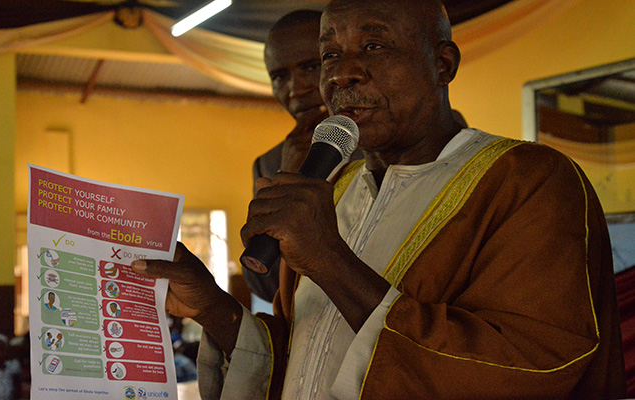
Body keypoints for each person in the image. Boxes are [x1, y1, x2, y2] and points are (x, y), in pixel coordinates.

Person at [132, 0, 626, 398]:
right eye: (330, 54)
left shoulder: (530, 181)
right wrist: (211, 306)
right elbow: (304, 356)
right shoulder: (333, 190)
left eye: (373, 45)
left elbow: (528, 368)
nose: (342, 74)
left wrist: (330, 260)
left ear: (443, 64)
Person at [245, 10, 364, 302]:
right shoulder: (270, 164)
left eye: (311, 67)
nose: (296, 89)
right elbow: (264, 286)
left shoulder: (388, 141)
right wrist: (287, 181)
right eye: (280, 76)